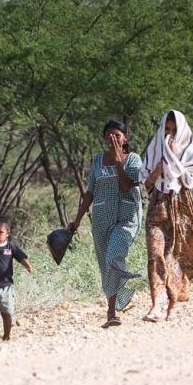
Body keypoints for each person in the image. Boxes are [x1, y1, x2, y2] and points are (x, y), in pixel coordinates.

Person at [68, 120, 143, 328]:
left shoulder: (133, 160)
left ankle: (128, 285)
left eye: (117, 136)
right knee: (106, 265)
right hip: (101, 219)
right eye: (108, 136)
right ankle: (112, 312)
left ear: (125, 138)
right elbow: (90, 192)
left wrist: (119, 160)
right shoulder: (98, 160)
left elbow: (127, 186)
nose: (112, 140)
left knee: (114, 256)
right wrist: (77, 220)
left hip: (126, 218)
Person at [140, 110, 193, 321]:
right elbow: (145, 185)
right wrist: (156, 172)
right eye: (167, 129)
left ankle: (172, 305)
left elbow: (189, 181)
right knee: (155, 253)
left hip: (181, 205)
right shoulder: (154, 149)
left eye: (174, 130)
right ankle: (156, 304)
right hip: (158, 204)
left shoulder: (189, 151)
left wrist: (174, 157)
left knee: (176, 255)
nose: (170, 134)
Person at [0, 214, 32, 345]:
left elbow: (21, 257)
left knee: (6, 314)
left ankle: (6, 336)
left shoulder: (11, 247)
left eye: (0, 232)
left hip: (7, 288)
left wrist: (28, 266)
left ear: (7, 233)